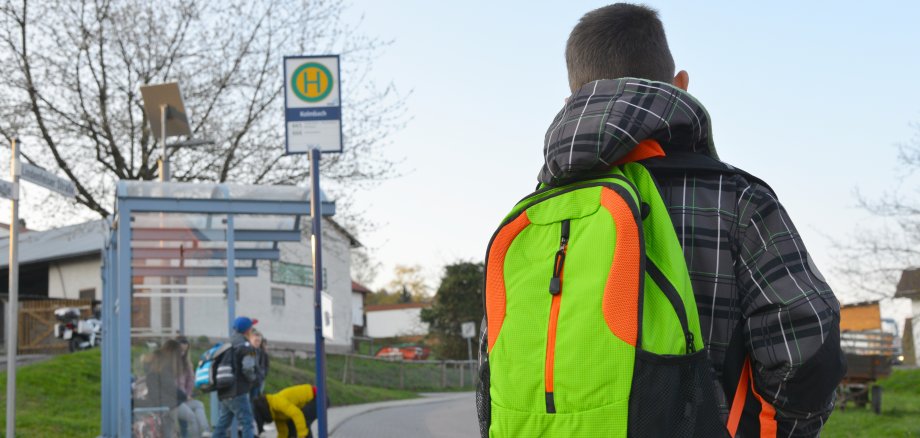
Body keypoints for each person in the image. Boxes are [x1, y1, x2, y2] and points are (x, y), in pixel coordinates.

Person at [478, 4, 845, 437]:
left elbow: (492, 367)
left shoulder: (533, 218)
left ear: (571, 99)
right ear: (681, 86)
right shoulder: (738, 202)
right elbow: (808, 341)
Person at [213, 316, 261, 438]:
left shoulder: (227, 345)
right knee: (247, 422)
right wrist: (253, 379)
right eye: (251, 327)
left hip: (225, 390)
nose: (252, 330)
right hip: (237, 390)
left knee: (222, 423)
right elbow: (248, 367)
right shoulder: (246, 346)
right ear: (247, 330)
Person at [169, 337, 211, 437]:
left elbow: (190, 381)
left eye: (185, 350)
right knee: (191, 418)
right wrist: (183, 396)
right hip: (173, 402)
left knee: (198, 405)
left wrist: (187, 394)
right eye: (180, 350)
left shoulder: (186, 363)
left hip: (183, 399)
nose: (182, 353)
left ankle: (205, 431)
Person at [252, 384, 326, 438]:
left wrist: (302, 435)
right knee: (291, 427)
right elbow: (283, 433)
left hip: (319, 397)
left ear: (264, 412)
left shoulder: (277, 402)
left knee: (302, 422)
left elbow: (297, 414)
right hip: (309, 403)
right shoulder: (276, 415)